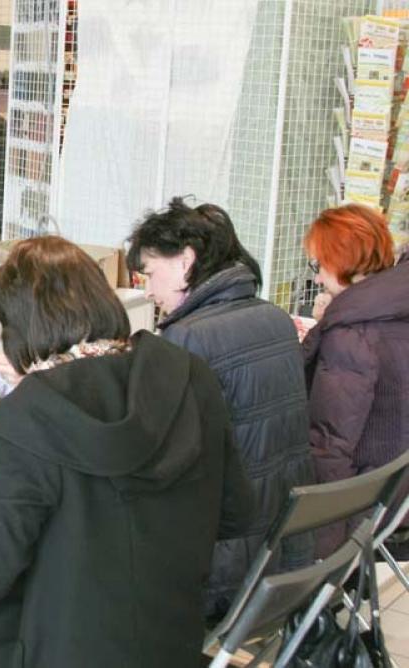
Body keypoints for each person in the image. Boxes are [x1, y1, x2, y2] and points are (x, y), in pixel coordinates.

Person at [0, 236, 254, 667]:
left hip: (47, 650)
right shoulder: (189, 376)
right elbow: (235, 514)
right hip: (170, 643)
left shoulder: (30, 416)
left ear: (19, 328)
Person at [125, 197, 314, 620]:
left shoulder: (188, 337)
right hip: (284, 545)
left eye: (150, 273)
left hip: (224, 559)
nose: (148, 291)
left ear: (186, 260)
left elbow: (162, 457)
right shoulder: (274, 318)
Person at [302, 204, 409, 558]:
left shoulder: (352, 333)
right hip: (396, 491)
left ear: (343, 260)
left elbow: (331, 444)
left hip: (365, 502)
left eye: (319, 265)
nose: (318, 278)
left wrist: (327, 555)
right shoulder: (392, 308)